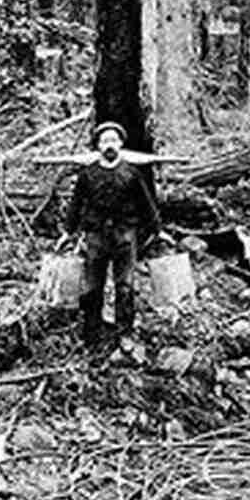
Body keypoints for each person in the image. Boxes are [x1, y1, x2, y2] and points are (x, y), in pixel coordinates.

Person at [63, 121, 160, 347]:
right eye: (104, 140)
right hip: (96, 236)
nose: (109, 145)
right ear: (98, 145)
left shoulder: (132, 174)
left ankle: (124, 333)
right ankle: (91, 334)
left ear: (120, 144)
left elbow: (146, 203)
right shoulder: (88, 175)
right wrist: (68, 231)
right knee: (91, 286)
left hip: (125, 234)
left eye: (113, 140)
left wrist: (157, 229)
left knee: (125, 285)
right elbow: (76, 204)